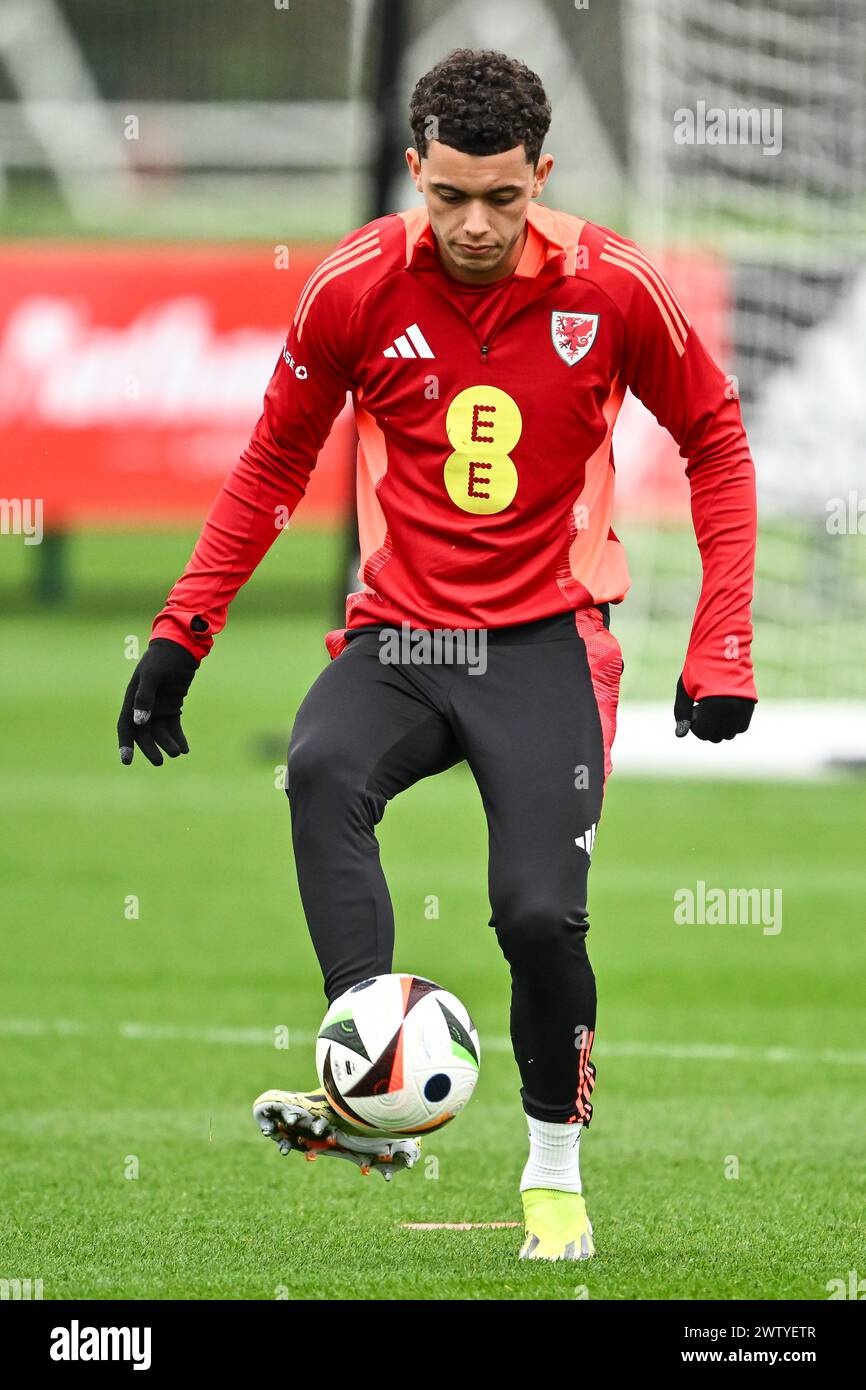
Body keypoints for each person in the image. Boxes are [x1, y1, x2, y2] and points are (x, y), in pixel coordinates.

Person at [117, 49, 757, 1261]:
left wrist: (718, 634)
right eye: (447, 195)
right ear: (413, 170)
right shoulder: (353, 286)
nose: (472, 224)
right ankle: (368, 1093)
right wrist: (179, 629)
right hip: (401, 638)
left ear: (541, 178)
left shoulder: (612, 288)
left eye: (501, 199)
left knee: (534, 917)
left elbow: (714, 440)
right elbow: (269, 464)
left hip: (547, 642)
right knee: (316, 769)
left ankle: (553, 1177)